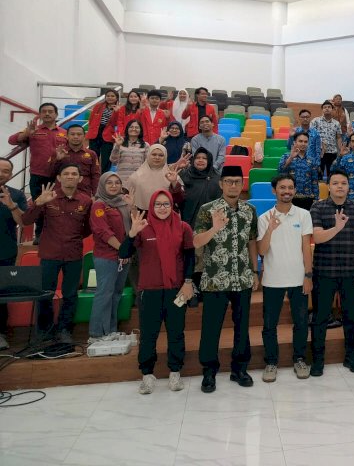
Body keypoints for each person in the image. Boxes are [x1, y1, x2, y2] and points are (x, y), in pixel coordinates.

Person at [120, 191, 195, 394]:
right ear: (152, 207)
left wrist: (188, 282)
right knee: (148, 336)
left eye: (166, 204)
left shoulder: (183, 227)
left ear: (172, 206)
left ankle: (175, 373)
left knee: (176, 333)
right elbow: (123, 253)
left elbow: (189, 257)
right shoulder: (143, 228)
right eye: (158, 205)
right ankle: (147, 375)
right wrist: (132, 233)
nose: (162, 208)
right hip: (149, 291)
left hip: (176, 291)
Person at [194, 165, 260, 393]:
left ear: (242, 185)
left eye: (237, 182)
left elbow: (252, 240)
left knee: (242, 327)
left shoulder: (249, 210)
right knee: (211, 328)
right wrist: (214, 228)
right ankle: (209, 372)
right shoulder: (207, 210)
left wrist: (254, 271)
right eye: (228, 181)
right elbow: (196, 242)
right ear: (221, 184)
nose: (233, 185)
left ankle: (239, 369)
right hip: (214, 279)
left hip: (241, 278)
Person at [21, 164, 92, 344]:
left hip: (74, 255)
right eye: (66, 174)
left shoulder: (85, 201)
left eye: (74, 174)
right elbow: (26, 220)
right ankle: (44, 332)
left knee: (70, 295)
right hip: (49, 254)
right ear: (59, 178)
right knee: (45, 294)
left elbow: (88, 229)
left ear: (80, 178)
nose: (70, 176)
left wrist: (73, 238)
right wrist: (38, 203)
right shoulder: (48, 197)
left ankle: (65, 330)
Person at [310, 170, 354, 376]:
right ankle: (317, 360)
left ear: (348, 186)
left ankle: (351, 357)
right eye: (335, 183)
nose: (339, 186)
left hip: (351, 272)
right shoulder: (318, 207)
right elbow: (317, 238)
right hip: (324, 272)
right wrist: (336, 228)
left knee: (351, 318)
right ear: (329, 185)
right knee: (320, 318)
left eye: (343, 183)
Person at [257, 175, 314, 382]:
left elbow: (306, 249)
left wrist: (308, 275)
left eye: (290, 187)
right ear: (274, 191)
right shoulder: (264, 218)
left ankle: (299, 359)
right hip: (272, 280)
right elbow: (262, 251)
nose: (286, 191)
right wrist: (271, 229)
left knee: (300, 323)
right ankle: (271, 362)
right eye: (282, 187)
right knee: (269, 325)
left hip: (298, 279)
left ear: (294, 190)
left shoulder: (304, 215)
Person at [7, 102, 67, 241]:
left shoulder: (64, 133)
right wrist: (27, 133)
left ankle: (56, 235)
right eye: (44, 111)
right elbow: (11, 140)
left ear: (56, 114)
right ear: (39, 115)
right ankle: (39, 235)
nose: (47, 113)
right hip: (38, 175)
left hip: (58, 176)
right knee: (38, 205)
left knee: (57, 206)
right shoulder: (33, 130)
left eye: (50, 111)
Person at [87, 172, 132, 343]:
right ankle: (97, 333)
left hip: (123, 256)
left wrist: (132, 205)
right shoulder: (99, 205)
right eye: (109, 183)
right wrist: (123, 250)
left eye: (117, 182)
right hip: (107, 256)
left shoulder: (123, 203)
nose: (114, 186)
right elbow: (103, 231)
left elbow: (133, 227)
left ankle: (111, 329)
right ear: (102, 186)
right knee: (104, 294)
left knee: (116, 294)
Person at [0, 158, 28, 349]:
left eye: (6, 171)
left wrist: (11, 205)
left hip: (5, 252)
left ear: (11, 175)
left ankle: (0, 333)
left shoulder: (17, 195)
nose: (2, 173)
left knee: (1, 296)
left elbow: (23, 222)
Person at [126, 144, 186, 211]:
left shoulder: (172, 176)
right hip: (143, 217)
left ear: (165, 157)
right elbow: (129, 200)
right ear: (148, 155)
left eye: (161, 155)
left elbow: (180, 199)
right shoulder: (136, 177)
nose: (157, 157)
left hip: (166, 215)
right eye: (154, 154)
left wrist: (174, 182)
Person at [48, 123, 100, 196]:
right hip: (61, 193)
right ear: (67, 136)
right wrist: (57, 160)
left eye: (79, 134)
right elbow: (50, 173)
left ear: (84, 136)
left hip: (84, 193)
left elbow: (96, 176)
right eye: (72, 134)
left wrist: (95, 195)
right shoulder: (58, 152)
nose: (76, 137)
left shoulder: (92, 154)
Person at [179, 148, 221, 226]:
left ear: (209, 161)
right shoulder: (185, 175)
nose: (200, 160)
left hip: (210, 222)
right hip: (187, 220)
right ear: (193, 160)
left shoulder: (217, 179)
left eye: (204, 158)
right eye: (197, 158)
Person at [279, 131, 320, 210]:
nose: (303, 144)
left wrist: (316, 198)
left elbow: (314, 181)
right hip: (290, 196)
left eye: (305, 142)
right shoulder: (286, 156)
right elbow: (280, 170)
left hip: (308, 197)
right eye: (300, 141)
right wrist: (291, 157)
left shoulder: (312, 160)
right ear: (295, 142)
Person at [86, 89, 120, 173]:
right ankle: (93, 173)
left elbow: (115, 123)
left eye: (112, 96)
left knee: (106, 157)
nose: (110, 98)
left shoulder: (119, 108)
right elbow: (91, 119)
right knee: (93, 155)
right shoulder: (98, 106)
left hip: (108, 134)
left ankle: (104, 174)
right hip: (95, 132)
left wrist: (116, 112)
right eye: (108, 96)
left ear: (116, 98)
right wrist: (91, 130)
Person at [109, 120, 149, 187]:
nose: (134, 129)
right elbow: (113, 160)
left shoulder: (146, 145)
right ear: (127, 129)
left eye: (137, 127)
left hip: (139, 180)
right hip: (122, 180)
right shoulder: (120, 143)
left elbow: (148, 164)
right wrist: (117, 146)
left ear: (140, 130)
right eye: (131, 127)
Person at [311, 100, 343, 180]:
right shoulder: (315, 121)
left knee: (331, 174)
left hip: (332, 152)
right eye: (325, 107)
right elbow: (311, 136)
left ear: (332, 109)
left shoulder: (337, 123)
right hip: (319, 152)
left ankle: (330, 191)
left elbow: (338, 137)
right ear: (322, 109)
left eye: (329, 107)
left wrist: (341, 150)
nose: (327, 109)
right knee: (318, 174)